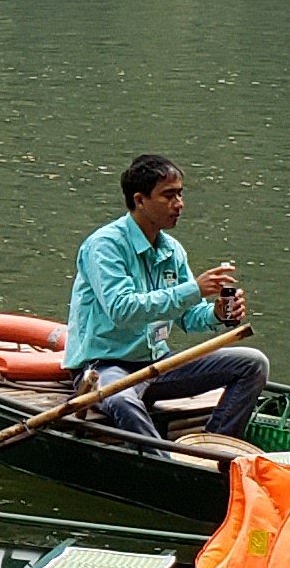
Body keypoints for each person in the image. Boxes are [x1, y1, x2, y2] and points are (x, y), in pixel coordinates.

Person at [63, 156, 271, 439]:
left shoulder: (172, 250)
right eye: (169, 195)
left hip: (157, 364)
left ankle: (212, 449)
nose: (179, 204)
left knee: (253, 363)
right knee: (121, 399)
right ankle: (163, 459)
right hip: (106, 366)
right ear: (140, 200)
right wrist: (194, 289)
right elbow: (122, 309)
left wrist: (217, 313)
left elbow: (188, 316)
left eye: (180, 194)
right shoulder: (105, 246)